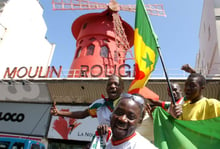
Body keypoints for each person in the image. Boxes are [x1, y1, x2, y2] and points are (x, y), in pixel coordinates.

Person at [50, 74, 124, 125]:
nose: (112, 86)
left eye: (116, 84)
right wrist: (59, 113)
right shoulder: (99, 104)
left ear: (122, 88)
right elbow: (82, 114)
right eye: (109, 84)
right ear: (106, 89)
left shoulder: (129, 102)